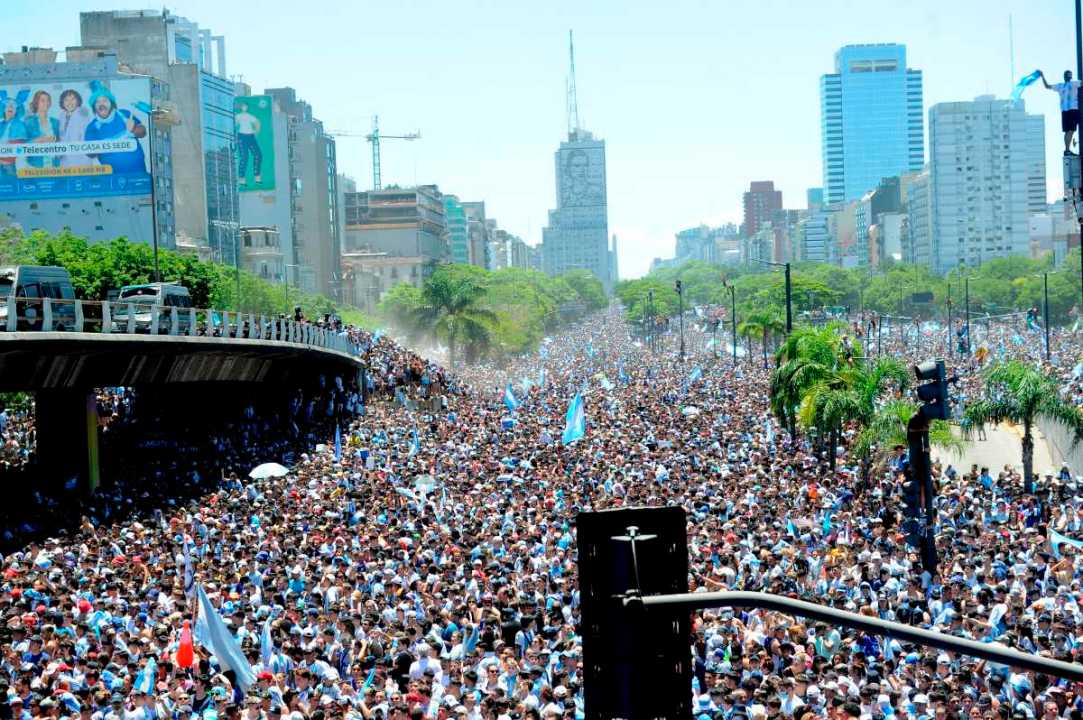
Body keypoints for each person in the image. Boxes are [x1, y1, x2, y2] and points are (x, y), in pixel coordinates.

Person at [83, 85, 148, 174]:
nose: (101, 104)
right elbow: (89, 154)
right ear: (94, 107)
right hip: (112, 177)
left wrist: (134, 129)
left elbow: (143, 132)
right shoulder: (92, 127)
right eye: (97, 102)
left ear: (111, 103)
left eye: (105, 100)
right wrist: (97, 146)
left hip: (138, 172)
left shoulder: (124, 114)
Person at [1041, 69, 1082, 154]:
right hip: (1073, 109)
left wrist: (1042, 76)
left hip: (1064, 111)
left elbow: (1047, 86)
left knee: (1067, 131)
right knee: (1071, 130)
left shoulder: (1060, 86)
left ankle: (1067, 150)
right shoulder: (1074, 83)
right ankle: (1067, 150)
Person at [22, 90, 60, 169]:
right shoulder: (28, 122)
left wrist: (55, 139)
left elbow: (60, 141)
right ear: (36, 103)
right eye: (43, 100)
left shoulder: (56, 122)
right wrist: (38, 140)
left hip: (54, 165)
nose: (46, 103)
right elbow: (22, 145)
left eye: (48, 100)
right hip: (35, 165)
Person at [57, 88, 93, 167]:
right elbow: (61, 136)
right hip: (65, 158)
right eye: (66, 100)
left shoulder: (82, 112)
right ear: (62, 102)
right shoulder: (62, 115)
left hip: (81, 158)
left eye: (73, 99)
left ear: (78, 101)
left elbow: (84, 136)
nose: (70, 102)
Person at [235, 101, 263, 186]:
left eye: (245, 106)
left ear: (247, 107)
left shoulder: (249, 116)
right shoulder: (238, 116)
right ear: (241, 107)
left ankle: (257, 177)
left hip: (251, 136)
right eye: (243, 106)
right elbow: (234, 124)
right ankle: (242, 179)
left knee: (258, 155)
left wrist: (256, 131)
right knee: (244, 157)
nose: (244, 107)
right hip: (242, 137)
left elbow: (257, 122)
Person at [0, 95, 28, 177]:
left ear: (16, 111)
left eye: (14, 106)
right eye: (8, 105)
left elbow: (17, 149)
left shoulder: (19, 125)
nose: (11, 107)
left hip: (8, 166)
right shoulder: (1, 124)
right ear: (4, 109)